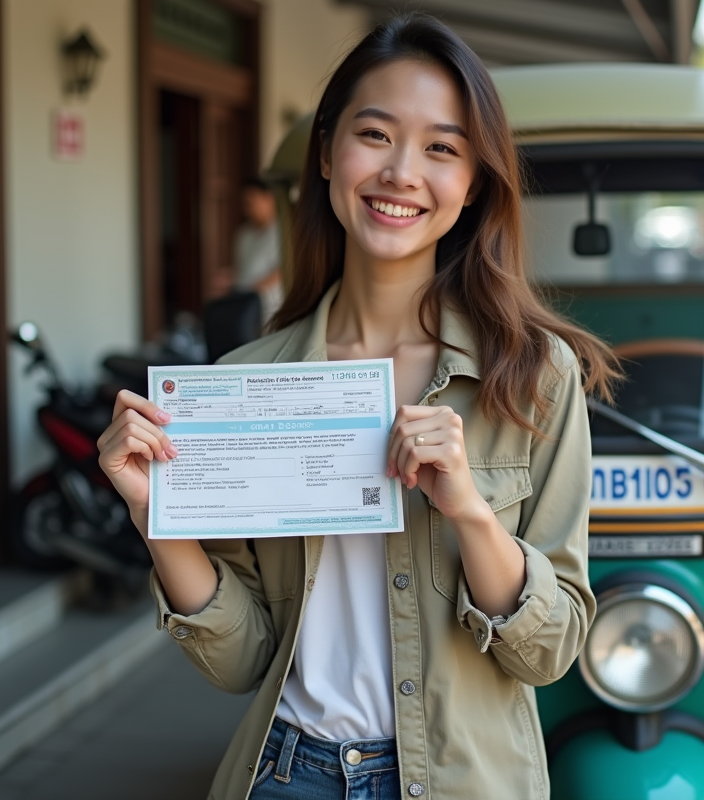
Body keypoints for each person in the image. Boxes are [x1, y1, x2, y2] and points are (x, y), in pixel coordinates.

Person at [97, 13, 619, 800]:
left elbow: (547, 655)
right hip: (286, 772)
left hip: (464, 781)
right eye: (375, 134)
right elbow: (242, 662)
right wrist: (154, 514)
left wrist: (472, 513)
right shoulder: (248, 384)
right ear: (326, 152)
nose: (402, 172)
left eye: (442, 148)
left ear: (473, 182)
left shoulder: (531, 374)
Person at [234, 177, 283, 323]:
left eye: (251, 202)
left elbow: (282, 272)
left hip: (272, 309)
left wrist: (249, 291)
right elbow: (242, 270)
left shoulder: (285, 232)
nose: (247, 209)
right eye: (245, 204)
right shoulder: (243, 235)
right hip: (244, 307)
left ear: (269, 199)